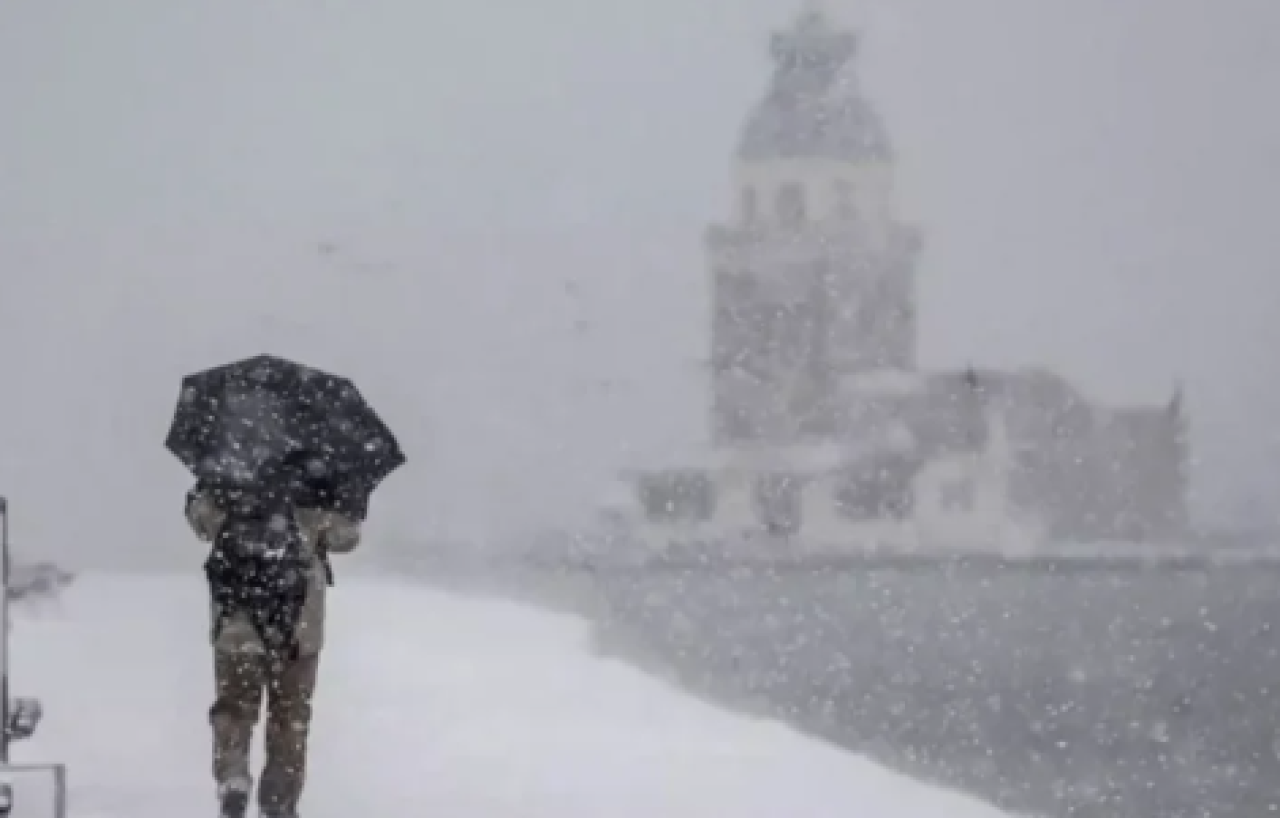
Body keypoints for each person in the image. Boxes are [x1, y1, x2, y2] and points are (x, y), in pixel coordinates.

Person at [186, 478, 362, 818]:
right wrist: (343, 503)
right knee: (290, 714)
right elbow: (347, 537)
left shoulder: (230, 476)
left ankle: (233, 777)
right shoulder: (316, 480)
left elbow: (202, 522)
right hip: (298, 627)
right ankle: (279, 794)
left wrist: (200, 495)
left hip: (237, 625)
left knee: (234, 708)